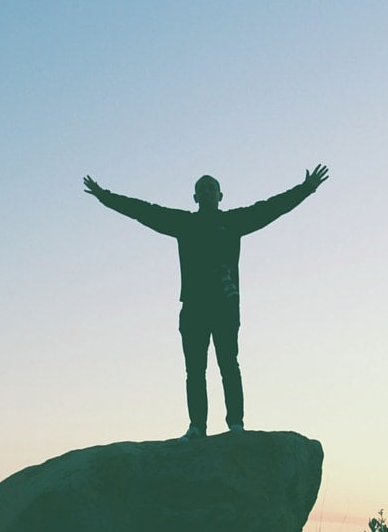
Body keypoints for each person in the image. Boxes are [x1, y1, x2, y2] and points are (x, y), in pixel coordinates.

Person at [83, 165, 329, 441]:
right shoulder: (184, 224)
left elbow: (270, 208)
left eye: (212, 188)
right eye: (202, 189)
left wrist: (305, 189)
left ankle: (235, 424)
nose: (207, 192)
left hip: (225, 305)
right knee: (195, 370)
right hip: (194, 307)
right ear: (195, 197)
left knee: (229, 364)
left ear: (221, 195)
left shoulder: (235, 222)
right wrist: (105, 197)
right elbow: (144, 211)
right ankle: (197, 427)